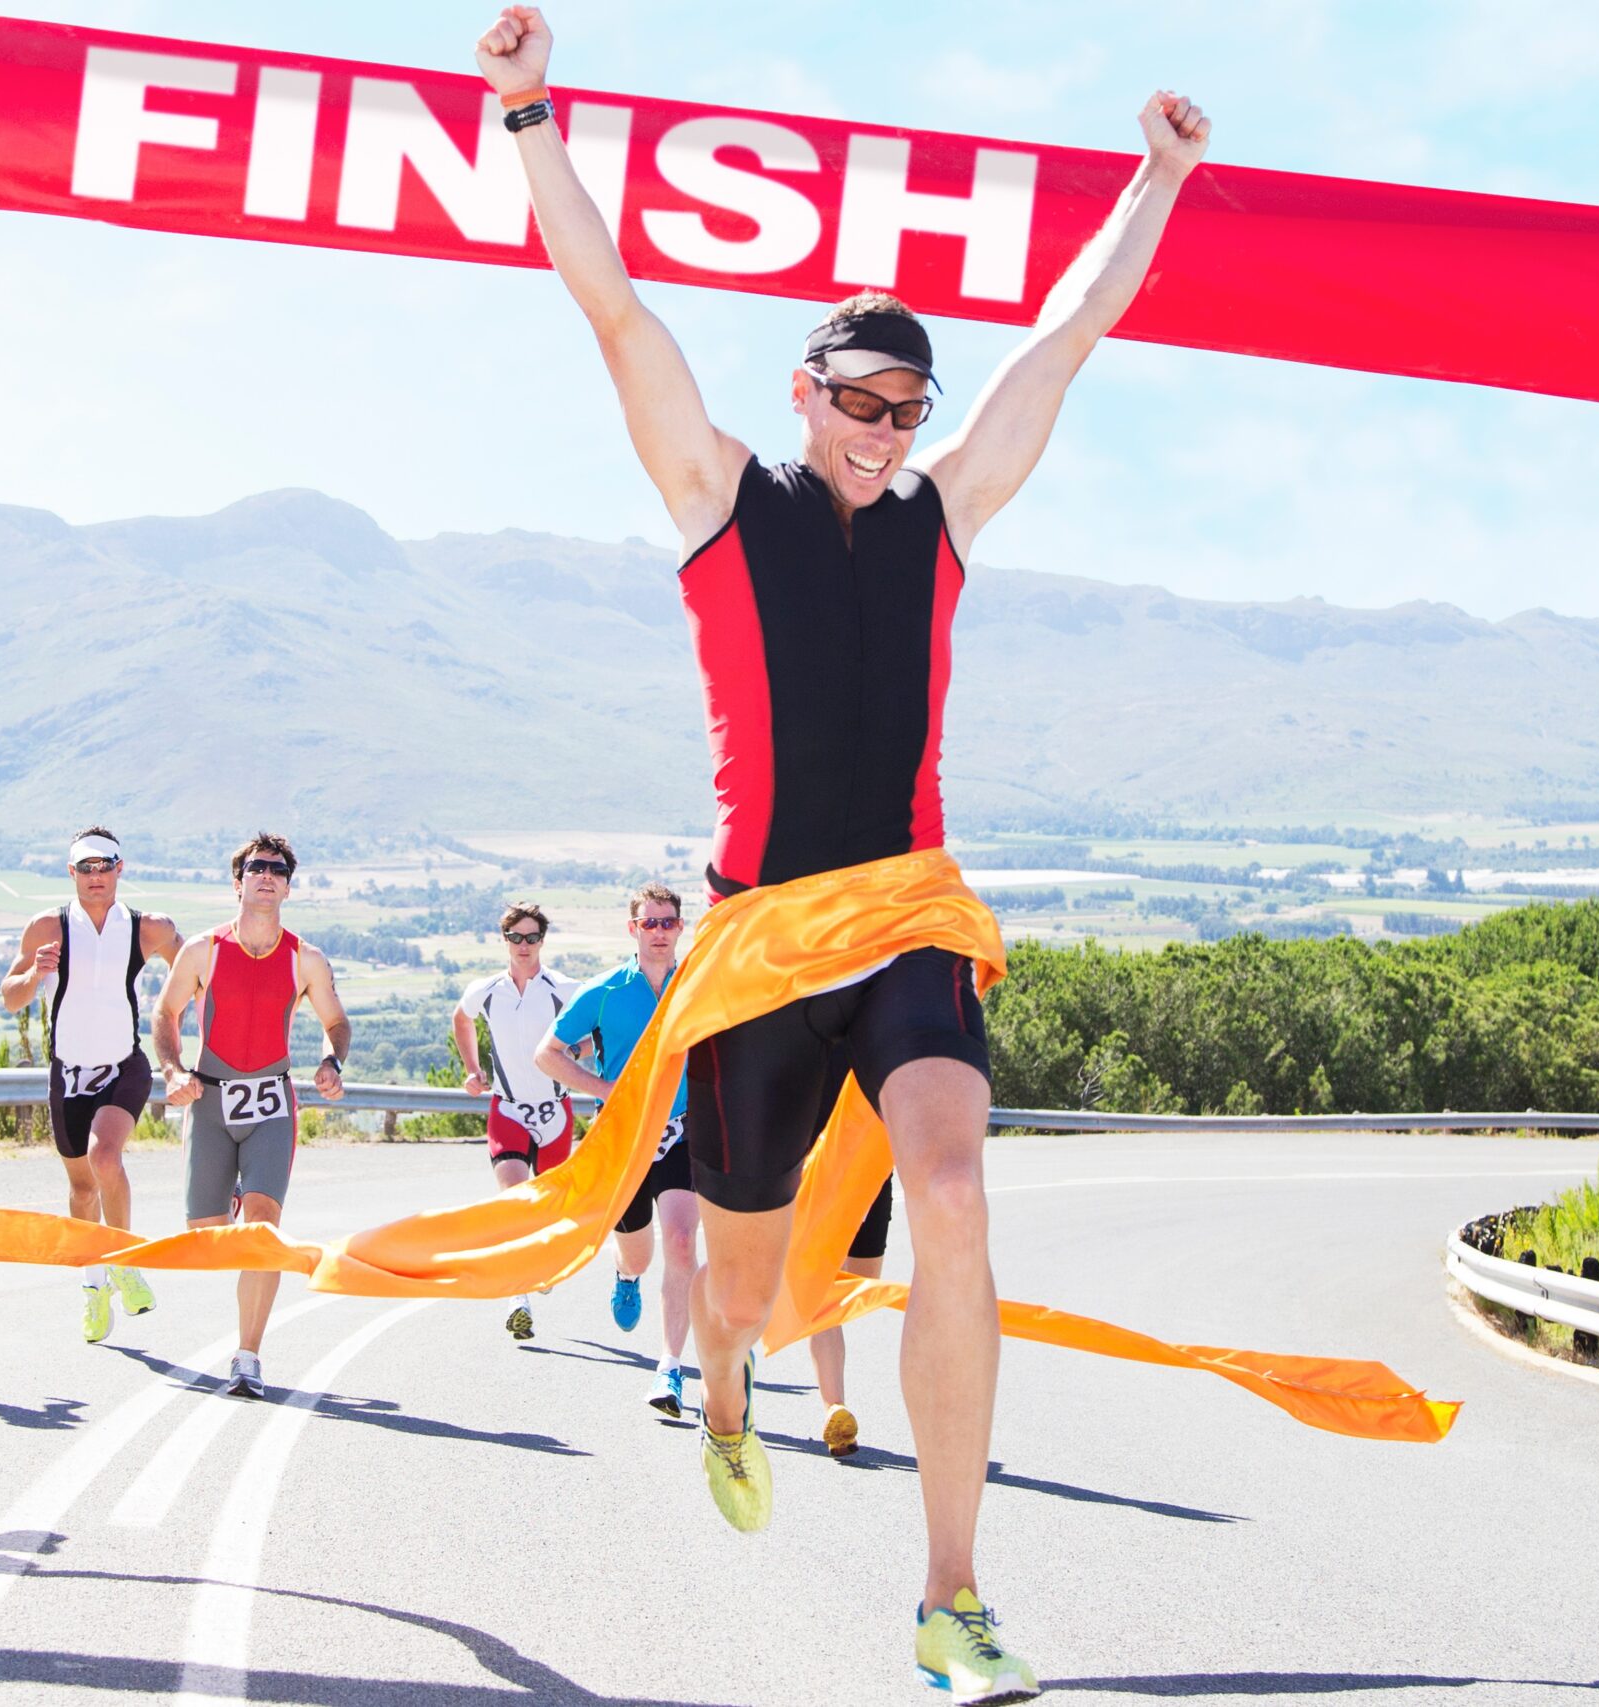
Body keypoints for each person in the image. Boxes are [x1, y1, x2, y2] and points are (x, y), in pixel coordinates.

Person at [476, 7, 1209, 1695]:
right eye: (857, 399)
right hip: (759, 941)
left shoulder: (947, 514)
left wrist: (1157, 177)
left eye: (906, 405)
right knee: (743, 1285)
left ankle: (951, 1593)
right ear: (805, 393)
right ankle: (726, 1381)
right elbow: (615, 310)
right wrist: (529, 114)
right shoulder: (726, 499)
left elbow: (1070, 335)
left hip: (908, 914)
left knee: (951, 1186)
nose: (882, 428)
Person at [151, 833, 350, 1400]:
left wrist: (332, 1060)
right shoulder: (203, 950)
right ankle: (233, 1202)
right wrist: (173, 1071)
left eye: (278, 870)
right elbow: (165, 1014)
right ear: (237, 882)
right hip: (210, 1100)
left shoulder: (305, 958)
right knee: (208, 1238)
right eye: (257, 868)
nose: (267, 876)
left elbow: (336, 1023)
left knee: (262, 1230)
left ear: (288, 887)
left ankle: (247, 1357)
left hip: (271, 1105)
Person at [0, 826, 185, 1342]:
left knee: (106, 1157)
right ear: (72, 872)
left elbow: (194, 972)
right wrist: (33, 976)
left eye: (105, 866)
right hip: (69, 1074)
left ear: (120, 869)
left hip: (124, 1066)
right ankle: (93, 1287)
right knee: (83, 1191)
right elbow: (10, 997)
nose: (96, 876)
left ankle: (124, 1259)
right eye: (86, 867)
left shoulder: (147, 927)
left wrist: (183, 1026)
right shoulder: (48, 926)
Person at [534, 883, 694, 1412]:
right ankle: (626, 1275)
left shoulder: (695, 984)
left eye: (667, 922)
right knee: (640, 1254)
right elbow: (547, 1054)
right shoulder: (604, 990)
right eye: (649, 923)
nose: (659, 932)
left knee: (682, 1243)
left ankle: (669, 1370)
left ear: (680, 927)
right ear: (633, 929)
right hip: (624, 1136)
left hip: (681, 1132)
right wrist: (605, 1089)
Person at [453, 900, 578, 1340]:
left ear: (542, 940)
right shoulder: (486, 990)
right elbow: (461, 1018)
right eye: (515, 937)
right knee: (513, 1200)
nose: (523, 945)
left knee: (547, 1208)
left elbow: (595, 1031)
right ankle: (517, 1298)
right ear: (504, 939)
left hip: (554, 1110)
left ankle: (540, 1263)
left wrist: (576, 1053)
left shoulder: (565, 988)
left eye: (532, 937)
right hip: (507, 1108)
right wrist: (472, 1069)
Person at [812, 1178, 894, 1457]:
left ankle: (791, 1296)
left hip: (872, 1174)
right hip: (824, 1169)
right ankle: (834, 1409)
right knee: (826, 1294)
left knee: (861, 1281)